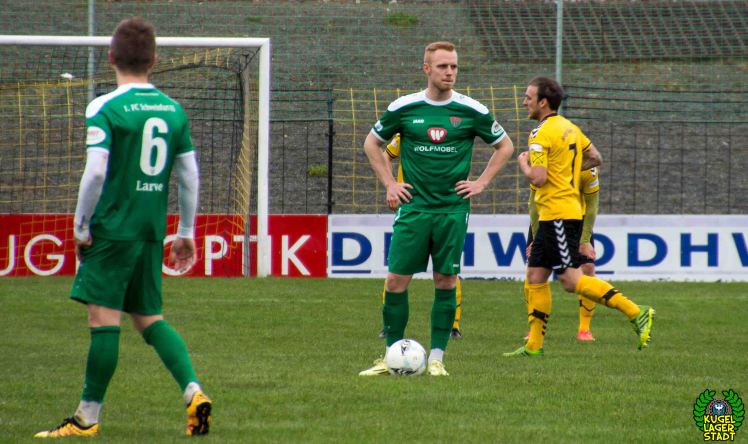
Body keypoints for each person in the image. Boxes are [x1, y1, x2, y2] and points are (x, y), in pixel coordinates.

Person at [35, 17, 212, 438]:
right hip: (150, 230)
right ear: (155, 60)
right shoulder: (172, 110)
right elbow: (189, 175)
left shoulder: (104, 107)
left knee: (103, 319)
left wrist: (80, 225)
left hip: (112, 229)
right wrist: (186, 231)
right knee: (149, 318)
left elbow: (96, 171)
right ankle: (193, 391)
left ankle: (86, 418)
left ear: (111, 56)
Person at [359, 41, 514, 376]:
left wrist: (481, 183)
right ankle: (391, 356)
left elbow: (505, 146)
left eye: (454, 66)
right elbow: (372, 143)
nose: (450, 72)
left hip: (452, 210)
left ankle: (436, 359)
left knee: (445, 280)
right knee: (395, 281)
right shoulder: (404, 107)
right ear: (426, 69)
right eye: (443, 66)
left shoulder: (472, 110)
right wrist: (390, 183)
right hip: (413, 209)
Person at [505, 76, 654, 357]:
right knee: (536, 275)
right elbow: (596, 158)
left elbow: (538, 178)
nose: (524, 102)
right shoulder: (571, 128)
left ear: (543, 102)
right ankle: (533, 346)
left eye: (528, 97)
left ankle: (637, 311)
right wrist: (566, 171)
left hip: (559, 214)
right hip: (558, 214)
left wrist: (524, 163)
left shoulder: (539, 134)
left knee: (571, 280)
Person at [377, 134, 464, 340]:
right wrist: (391, 186)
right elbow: (385, 155)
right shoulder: (406, 132)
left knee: (448, 272)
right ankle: (389, 326)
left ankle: (453, 325)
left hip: (446, 209)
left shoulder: (456, 133)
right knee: (397, 273)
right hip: (411, 208)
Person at [525, 167, 600, 341]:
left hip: (577, 219)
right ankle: (534, 330)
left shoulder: (588, 169)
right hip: (545, 217)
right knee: (535, 273)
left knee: (588, 268)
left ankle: (584, 329)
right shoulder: (544, 166)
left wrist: (585, 239)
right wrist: (536, 238)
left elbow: (592, 206)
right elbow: (533, 205)